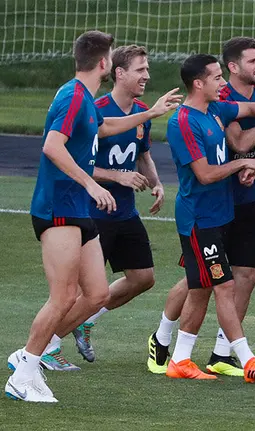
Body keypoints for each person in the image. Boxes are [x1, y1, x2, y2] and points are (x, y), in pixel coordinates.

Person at [5, 30, 182, 403]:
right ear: (105, 64)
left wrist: (150, 113)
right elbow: (52, 146)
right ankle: (24, 373)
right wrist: (91, 183)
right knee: (64, 296)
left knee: (98, 293)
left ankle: (27, 359)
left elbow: (103, 128)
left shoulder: (85, 98)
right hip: (58, 208)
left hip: (77, 210)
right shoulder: (72, 96)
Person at [146, 40, 255, 376]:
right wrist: (245, 165)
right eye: (215, 78)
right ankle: (246, 361)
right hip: (200, 219)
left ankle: (181, 360)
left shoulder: (215, 109)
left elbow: (253, 110)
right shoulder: (183, 122)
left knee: (200, 289)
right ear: (199, 83)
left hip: (220, 213)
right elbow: (206, 174)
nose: (221, 85)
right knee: (221, 286)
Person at [67, 45, 165, 364]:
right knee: (80, 292)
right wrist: (118, 176)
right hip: (93, 214)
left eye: (147, 69)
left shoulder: (141, 113)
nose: (146, 75)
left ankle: (86, 322)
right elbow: (75, 163)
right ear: (118, 73)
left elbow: (143, 154)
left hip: (124, 213)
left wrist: (156, 183)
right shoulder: (95, 110)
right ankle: (47, 348)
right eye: (140, 69)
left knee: (143, 277)